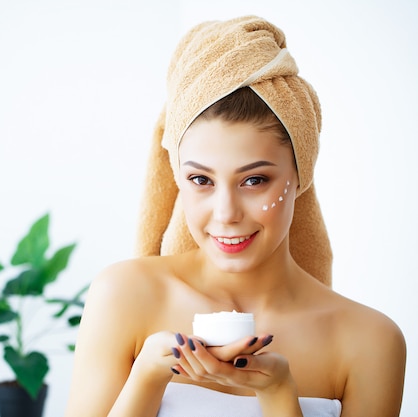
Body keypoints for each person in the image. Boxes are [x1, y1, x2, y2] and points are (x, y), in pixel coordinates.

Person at [64, 15, 406, 417]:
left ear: (300, 176)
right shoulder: (124, 295)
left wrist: (278, 393)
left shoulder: (369, 342)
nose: (225, 214)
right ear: (176, 177)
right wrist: (149, 374)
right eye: (200, 179)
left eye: (254, 180)